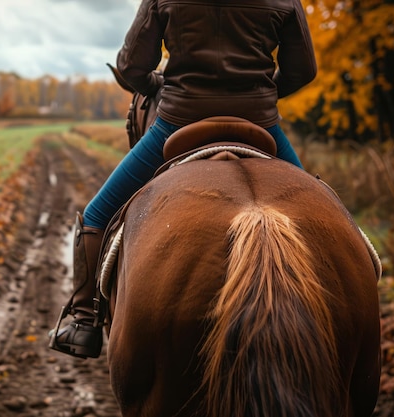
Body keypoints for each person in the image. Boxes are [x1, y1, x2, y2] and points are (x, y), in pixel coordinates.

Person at [49, 0, 317, 359]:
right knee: (325, 217)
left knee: (98, 215)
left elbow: (131, 67)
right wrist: (260, 94)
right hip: (259, 120)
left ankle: (84, 321)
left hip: (179, 119)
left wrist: (158, 85)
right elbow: (302, 71)